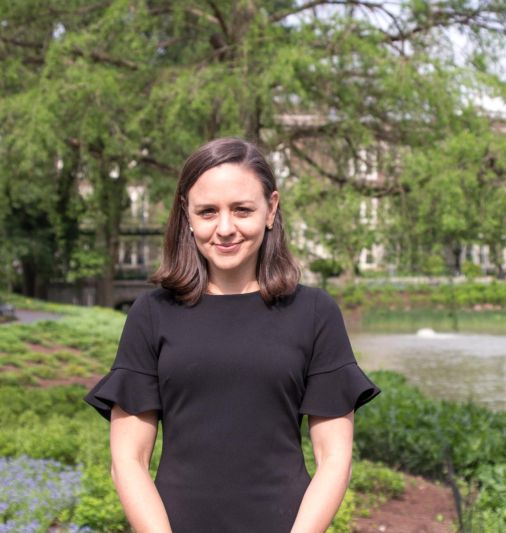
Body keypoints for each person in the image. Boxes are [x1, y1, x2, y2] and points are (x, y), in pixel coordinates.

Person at [84, 137, 381, 532]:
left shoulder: (314, 313)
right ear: (187, 215)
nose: (225, 228)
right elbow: (128, 460)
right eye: (208, 211)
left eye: (242, 210)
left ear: (271, 209)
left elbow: (334, 458)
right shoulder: (151, 314)